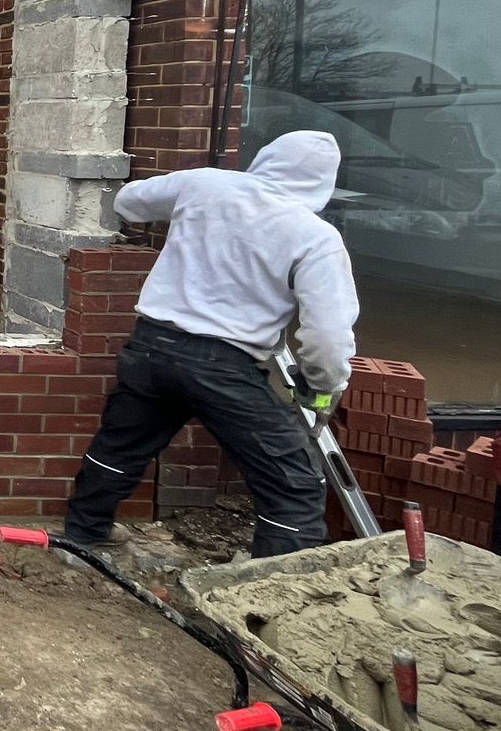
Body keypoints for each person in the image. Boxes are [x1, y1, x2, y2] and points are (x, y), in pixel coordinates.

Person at [64, 130, 360, 558]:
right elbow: (327, 336)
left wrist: (196, 210)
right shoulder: (316, 236)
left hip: (152, 349)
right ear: (324, 182)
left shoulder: (206, 184)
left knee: (121, 446)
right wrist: (324, 386)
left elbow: (128, 202)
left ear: (267, 158)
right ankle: (271, 590)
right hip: (224, 366)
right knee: (291, 483)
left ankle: (80, 536)